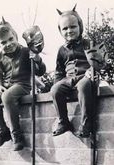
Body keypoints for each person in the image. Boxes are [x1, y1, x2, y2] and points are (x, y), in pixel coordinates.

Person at [0, 17, 46, 151]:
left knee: (7, 97)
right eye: (3, 42)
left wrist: (37, 59)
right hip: (5, 85)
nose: (8, 44)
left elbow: (40, 71)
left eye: (11, 39)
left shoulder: (25, 51)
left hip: (22, 84)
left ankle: (16, 135)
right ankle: (2, 131)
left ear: (16, 37)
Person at [51, 5, 99, 138]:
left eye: (73, 27)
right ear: (60, 31)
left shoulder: (89, 43)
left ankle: (87, 124)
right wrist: (57, 84)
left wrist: (92, 69)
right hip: (69, 79)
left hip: (86, 77)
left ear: (80, 26)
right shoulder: (61, 50)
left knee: (84, 85)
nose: (69, 31)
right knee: (55, 89)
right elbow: (59, 71)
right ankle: (63, 121)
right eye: (65, 28)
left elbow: (102, 60)